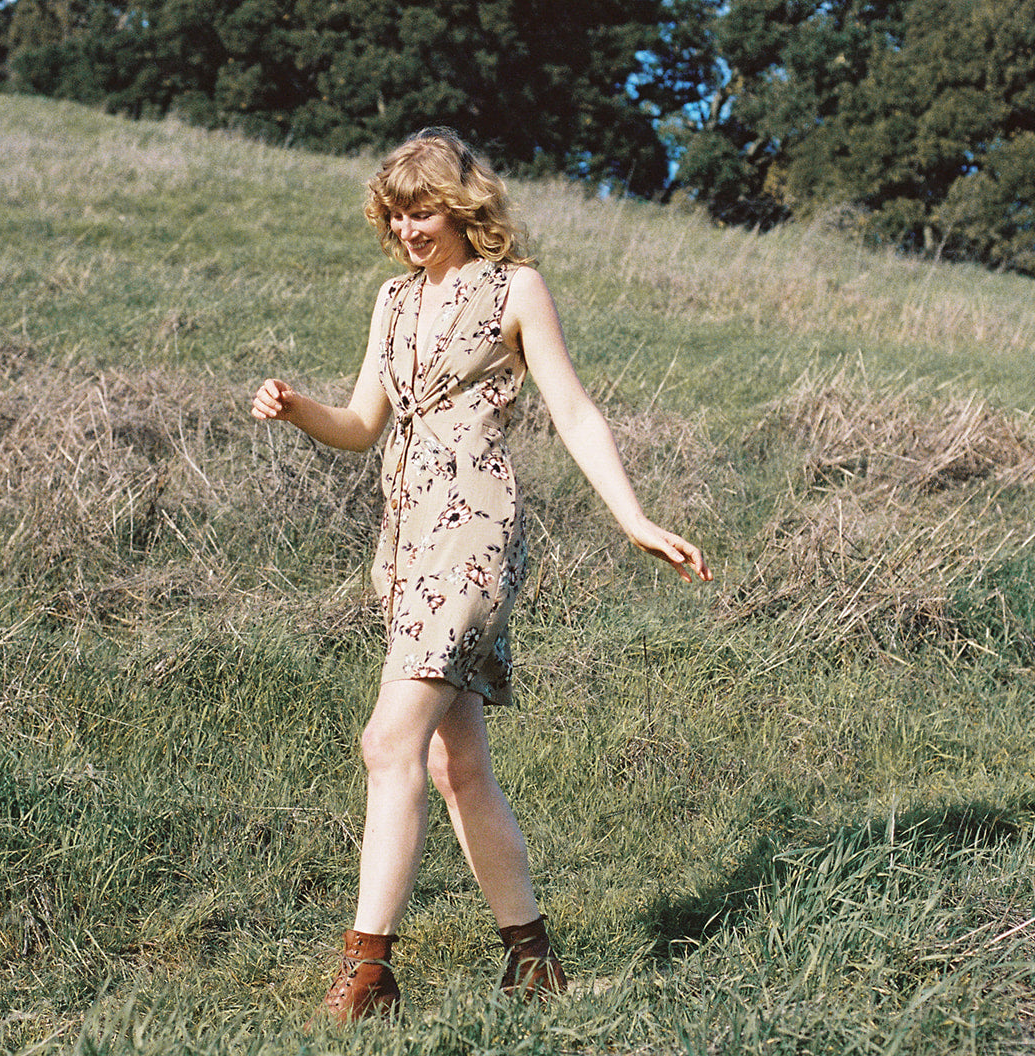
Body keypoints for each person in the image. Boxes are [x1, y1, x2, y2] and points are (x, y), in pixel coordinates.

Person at [251, 127, 709, 1023]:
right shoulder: (391, 301)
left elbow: (574, 412)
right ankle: (534, 966)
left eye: (423, 209)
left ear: (464, 208)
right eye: (395, 212)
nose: (409, 227)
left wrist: (634, 518)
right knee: (456, 765)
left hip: (475, 531)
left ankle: (367, 973)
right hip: (405, 538)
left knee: (389, 743)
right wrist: (298, 408)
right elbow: (360, 424)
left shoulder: (516, 289)